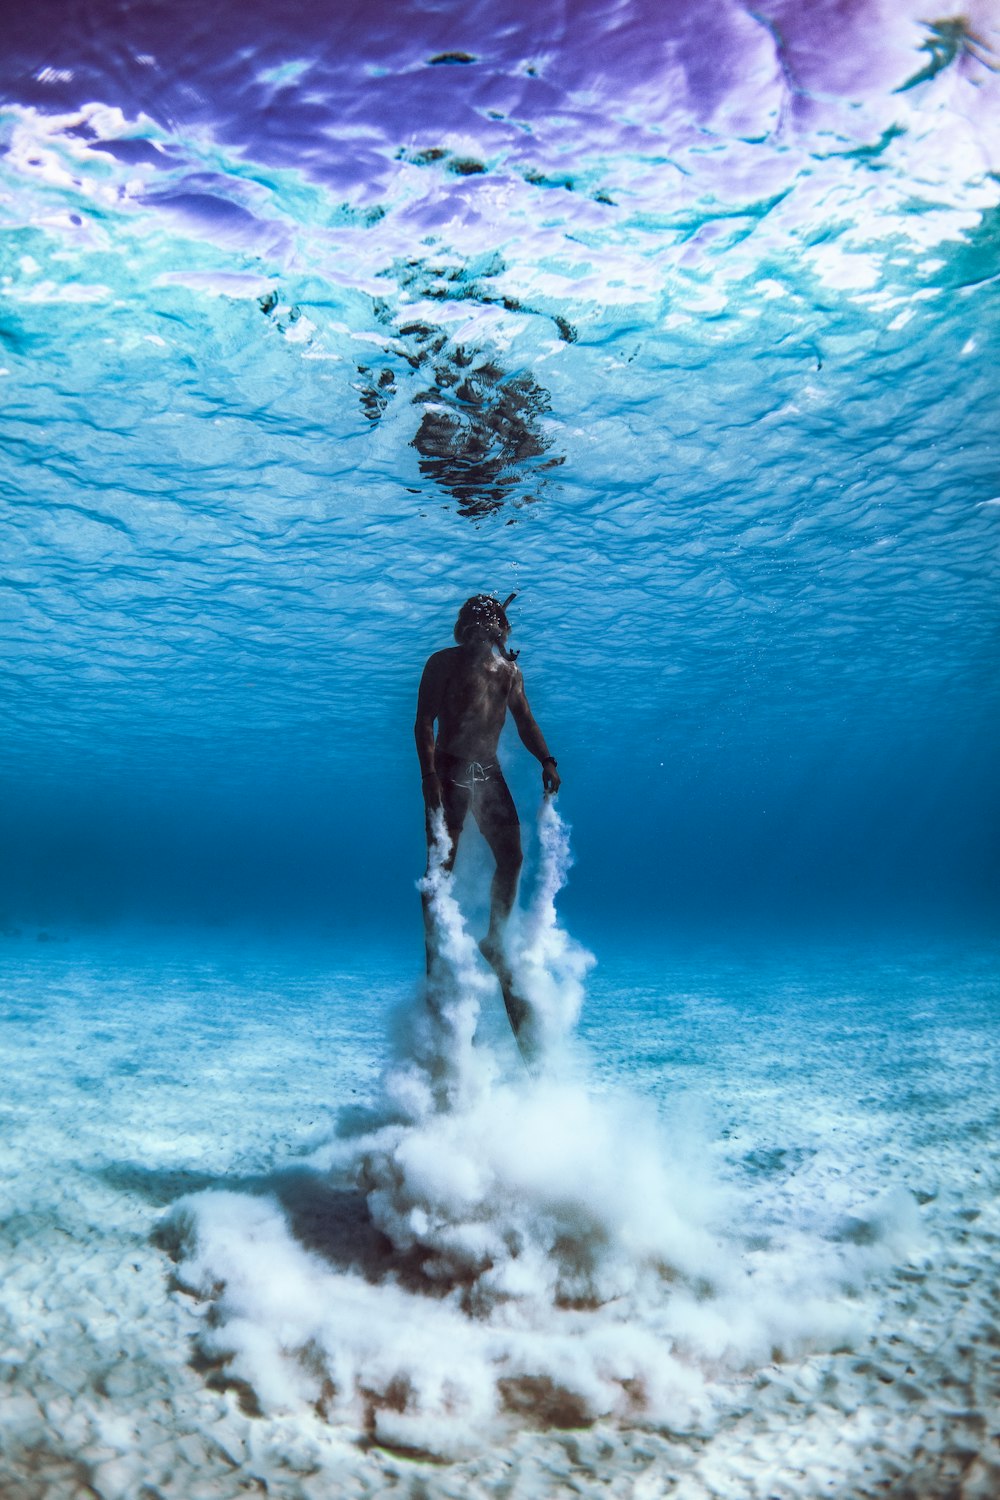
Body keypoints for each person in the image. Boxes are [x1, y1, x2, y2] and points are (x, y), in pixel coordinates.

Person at [415, 593, 560, 1043]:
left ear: (499, 630)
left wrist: (547, 760)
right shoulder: (441, 663)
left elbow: (526, 722)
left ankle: (495, 937)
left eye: (489, 628)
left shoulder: (510, 672)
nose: (480, 635)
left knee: (512, 857)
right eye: (472, 627)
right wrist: (428, 776)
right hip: (449, 769)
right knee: (442, 864)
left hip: (488, 772)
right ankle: (435, 950)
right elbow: (423, 722)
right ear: (463, 629)